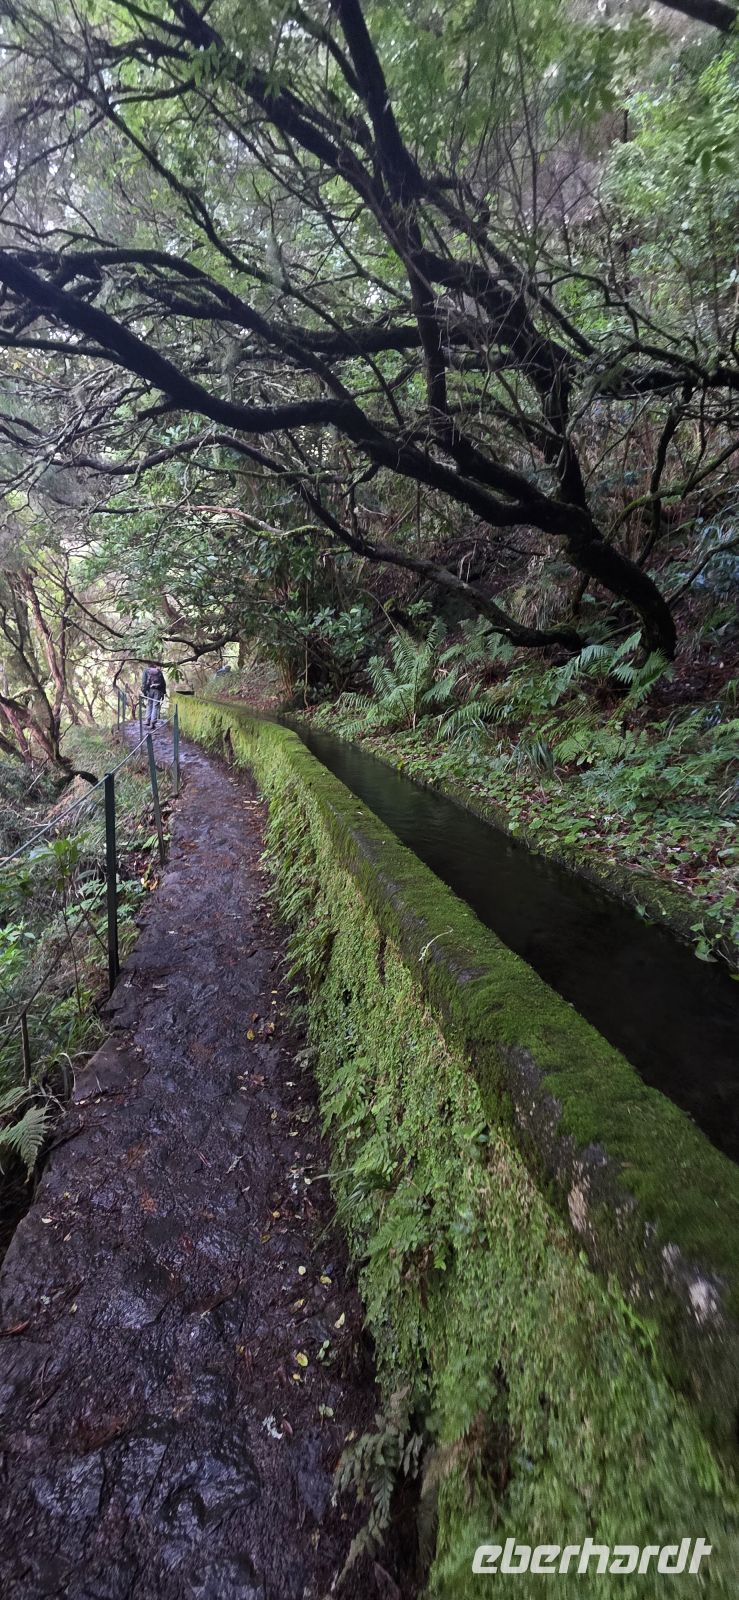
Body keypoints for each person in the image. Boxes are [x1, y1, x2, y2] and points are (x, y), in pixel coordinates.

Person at [141, 662, 166, 727]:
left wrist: (144, 692)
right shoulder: (159, 671)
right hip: (158, 690)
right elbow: (163, 683)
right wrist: (163, 693)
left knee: (149, 704)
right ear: (154, 666)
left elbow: (143, 683)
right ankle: (153, 722)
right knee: (155, 706)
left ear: (148, 666)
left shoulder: (146, 671)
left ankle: (147, 720)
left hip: (149, 690)